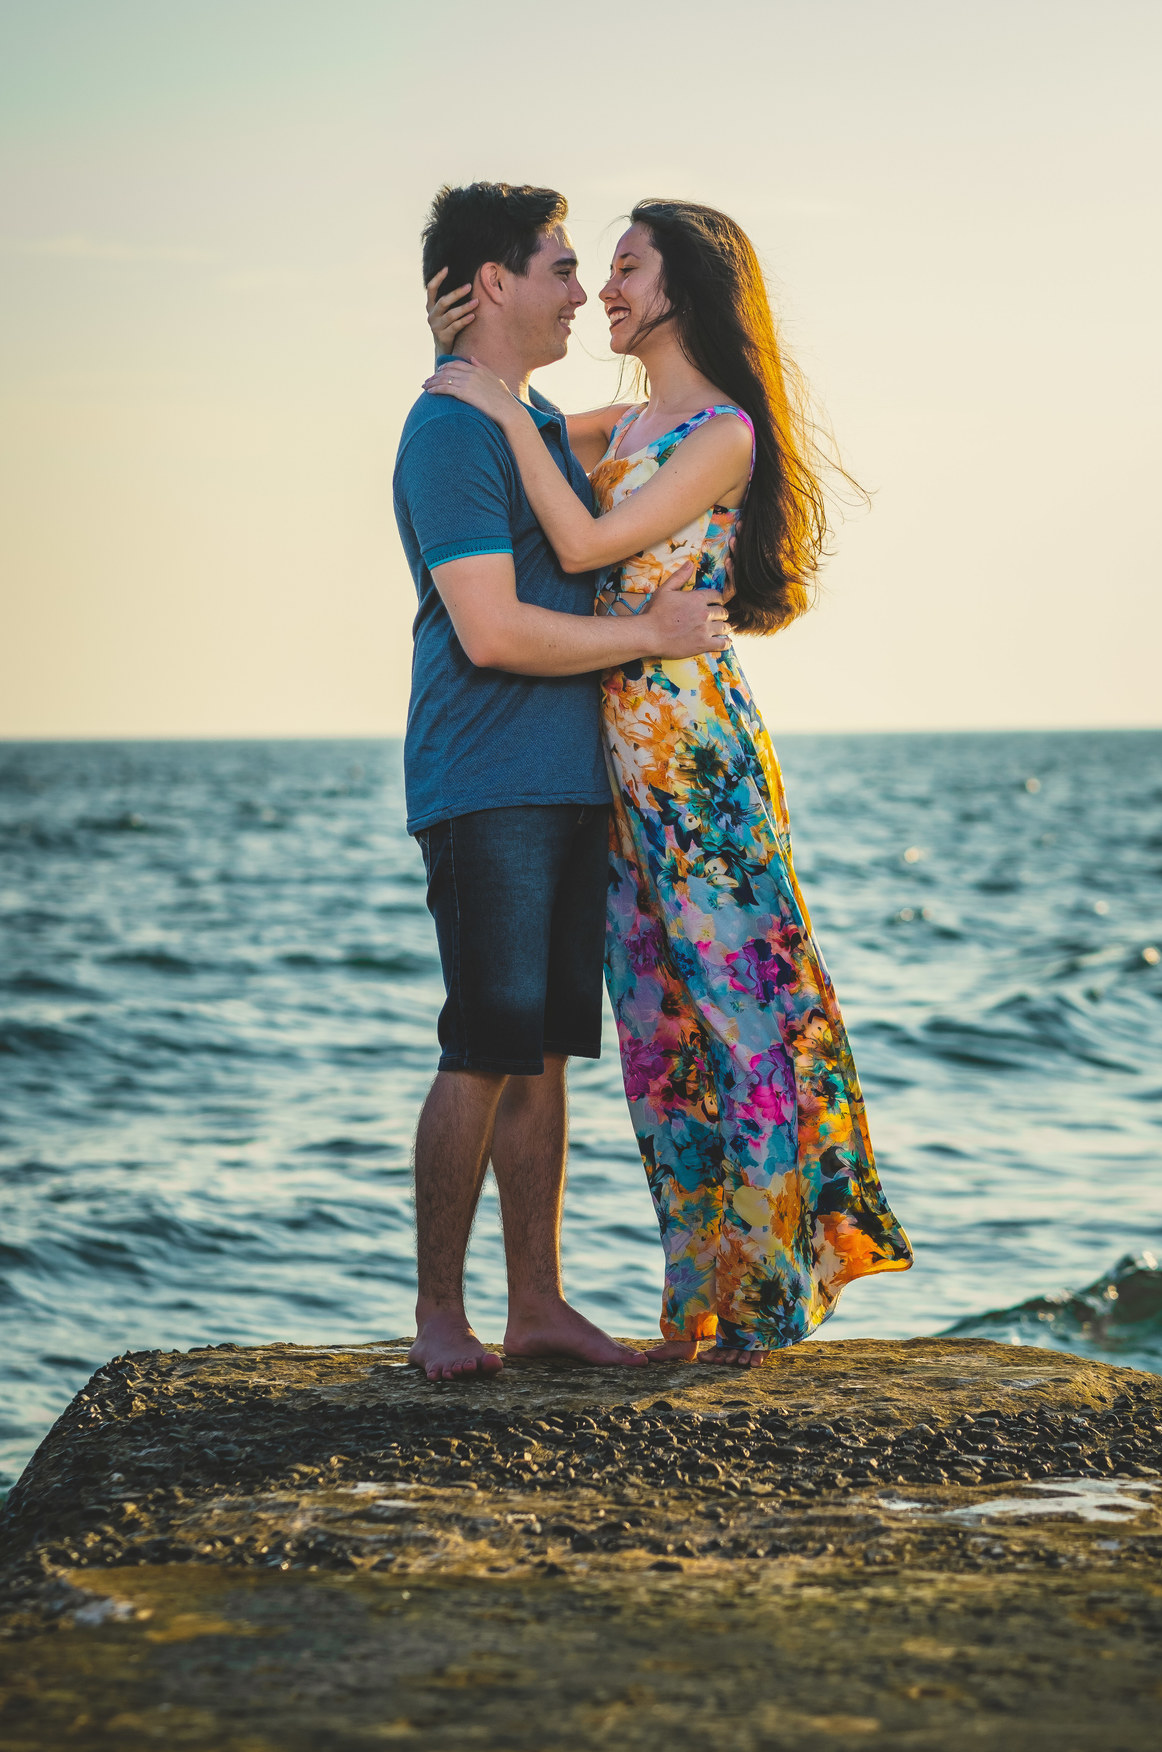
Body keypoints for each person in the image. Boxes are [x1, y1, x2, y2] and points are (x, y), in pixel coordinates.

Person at [423, 198, 914, 1369]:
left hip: (690, 752)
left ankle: (770, 1294)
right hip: (612, 757)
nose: (605, 289)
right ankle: (703, 1292)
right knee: (662, 1028)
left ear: (682, 288)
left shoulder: (722, 433)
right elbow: (521, 441)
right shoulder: (630, 422)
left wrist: (485, 394)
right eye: (595, 268)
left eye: (627, 269)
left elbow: (584, 546)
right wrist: (458, 364)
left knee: (742, 1010)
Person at [393, 183, 730, 1382]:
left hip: (567, 778)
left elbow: (652, 425)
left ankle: (536, 1303)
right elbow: (491, 630)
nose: (583, 291)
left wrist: (472, 366)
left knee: (543, 1056)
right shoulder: (450, 434)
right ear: (495, 284)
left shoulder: (520, 418)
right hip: (485, 778)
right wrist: (652, 638)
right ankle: (442, 1312)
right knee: (482, 1045)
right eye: (560, 267)